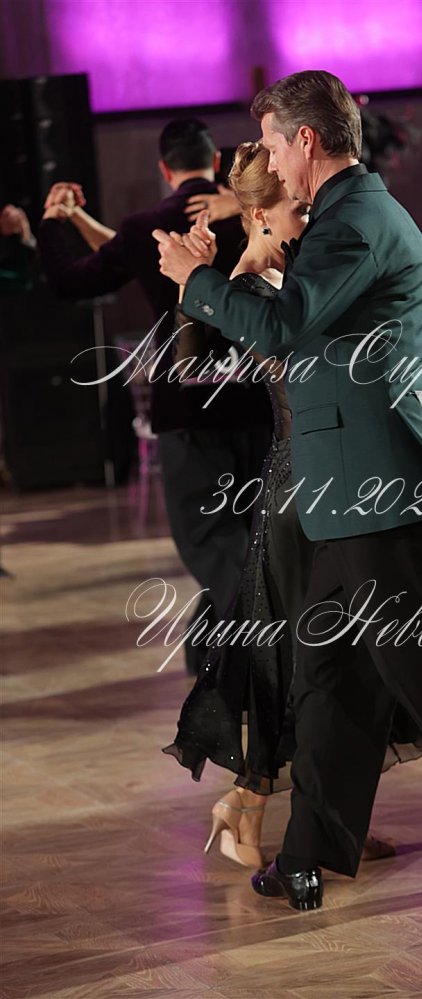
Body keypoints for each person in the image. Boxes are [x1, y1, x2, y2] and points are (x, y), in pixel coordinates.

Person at [155, 70, 422, 912]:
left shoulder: (356, 221)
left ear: (306, 140)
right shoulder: (343, 219)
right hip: (337, 486)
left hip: (375, 486)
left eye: (272, 143)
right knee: (330, 677)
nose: (268, 158)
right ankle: (308, 851)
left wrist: (196, 281)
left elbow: (284, 325)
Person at [162, 142, 422, 868]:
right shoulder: (257, 280)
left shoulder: (278, 273)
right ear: (261, 214)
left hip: (311, 476)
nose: (309, 218)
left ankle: (327, 818)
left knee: (334, 659)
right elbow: (208, 356)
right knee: (298, 661)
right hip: (297, 487)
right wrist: (202, 279)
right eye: (297, 209)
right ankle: (254, 805)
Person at [37, 119, 273, 676]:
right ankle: (212, 669)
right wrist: (82, 221)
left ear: (164, 169)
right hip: (258, 398)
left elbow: (77, 277)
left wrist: (53, 222)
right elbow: (124, 249)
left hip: (187, 405)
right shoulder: (249, 211)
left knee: (211, 542)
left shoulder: (150, 226)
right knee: (251, 537)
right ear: (216, 162)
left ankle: (271, 657)